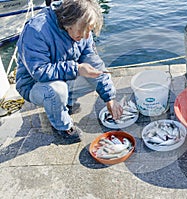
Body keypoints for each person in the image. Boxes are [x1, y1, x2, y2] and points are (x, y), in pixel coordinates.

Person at [16, 0, 123, 142]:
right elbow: (39, 72)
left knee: (96, 74)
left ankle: (64, 103)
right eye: (82, 30)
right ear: (68, 22)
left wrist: (110, 98)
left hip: (63, 76)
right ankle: (62, 126)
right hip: (34, 85)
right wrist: (77, 68)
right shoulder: (36, 30)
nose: (86, 36)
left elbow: (93, 62)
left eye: (89, 30)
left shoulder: (83, 31)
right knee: (56, 90)